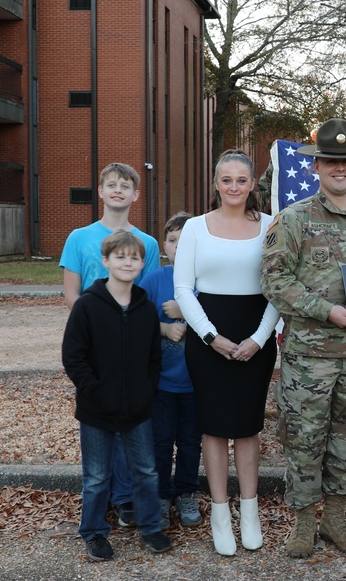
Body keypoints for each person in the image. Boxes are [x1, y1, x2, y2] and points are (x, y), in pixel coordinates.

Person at [260, 118, 346, 559]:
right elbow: (274, 280)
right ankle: (302, 523)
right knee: (303, 438)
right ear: (316, 166)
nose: (340, 169)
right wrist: (326, 310)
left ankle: (336, 519)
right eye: (330, 162)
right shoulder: (294, 219)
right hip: (310, 356)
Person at [173, 150, 280, 557]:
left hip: (257, 336)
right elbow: (184, 289)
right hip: (208, 339)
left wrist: (259, 337)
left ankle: (249, 511)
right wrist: (209, 336)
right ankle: (221, 513)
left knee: (248, 426)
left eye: (241, 180)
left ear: (253, 184)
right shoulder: (195, 229)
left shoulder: (271, 226)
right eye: (226, 180)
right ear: (215, 183)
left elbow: (279, 284)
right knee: (214, 427)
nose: (234, 187)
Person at [59, 162, 161, 529]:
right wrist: (97, 325)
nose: (118, 190)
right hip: (95, 344)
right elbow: (72, 293)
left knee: (132, 425)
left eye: (125, 186)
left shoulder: (146, 244)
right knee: (100, 425)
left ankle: (125, 498)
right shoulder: (78, 237)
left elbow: (146, 298)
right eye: (111, 185)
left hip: (132, 348)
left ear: (136, 194)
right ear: (101, 191)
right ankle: (101, 503)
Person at [61, 230, 173, 562]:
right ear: (106, 261)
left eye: (134, 257)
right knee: (96, 476)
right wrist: (94, 391)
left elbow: (155, 356)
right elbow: (74, 357)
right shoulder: (88, 306)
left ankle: (151, 526)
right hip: (97, 411)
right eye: (120, 256)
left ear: (142, 263)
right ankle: (94, 532)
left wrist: (147, 389)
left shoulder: (145, 308)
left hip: (138, 409)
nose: (128, 262)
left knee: (146, 470)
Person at [139, 211, 203, 529]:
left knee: (191, 442)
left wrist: (186, 313)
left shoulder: (207, 281)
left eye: (186, 239)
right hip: (162, 384)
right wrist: (164, 328)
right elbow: (136, 322)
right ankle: (162, 495)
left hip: (196, 382)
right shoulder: (154, 281)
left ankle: (186, 492)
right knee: (161, 442)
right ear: (165, 246)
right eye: (173, 240)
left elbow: (218, 320)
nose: (179, 245)